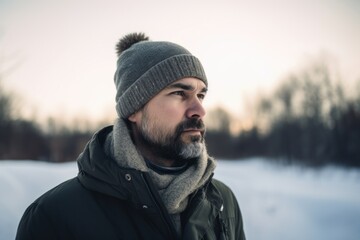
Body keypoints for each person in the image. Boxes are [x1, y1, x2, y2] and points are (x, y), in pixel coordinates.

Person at [16, 32, 246, 240]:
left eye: (201, 95)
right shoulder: (54, 216)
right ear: (134, 110)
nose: (199, 110)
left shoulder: (222, 201)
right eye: (178, 93)